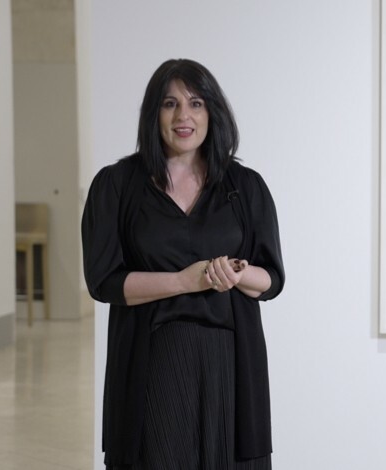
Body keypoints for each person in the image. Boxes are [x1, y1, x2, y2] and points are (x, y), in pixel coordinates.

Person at [82, 58, 285, 470]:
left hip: (229, 362)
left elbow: (272, 279)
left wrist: (237, 273)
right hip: (152, 360)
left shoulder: (246, 188)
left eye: (195, 103)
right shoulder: (116, 186)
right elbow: (103, 282)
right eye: (169, 104)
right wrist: (182, 281)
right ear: (152, 113)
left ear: (212, 111)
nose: (184, 116)